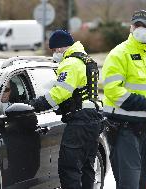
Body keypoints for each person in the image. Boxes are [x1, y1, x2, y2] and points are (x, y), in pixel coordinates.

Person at [27, 30, 103, 189]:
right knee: (87, 166)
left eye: (54, 50)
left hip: (80, 122)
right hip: (93, 119)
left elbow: (60, 93)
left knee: (69, 168)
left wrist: (35, 105)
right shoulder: (87, 60)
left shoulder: (71, 63)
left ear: (61, 48)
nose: (54, 54)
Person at [102, 10, 146, 189]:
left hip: (144, 130)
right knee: (129, 184)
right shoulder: (119, 54)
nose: (140, 29)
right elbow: (113, 91)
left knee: (139, 184)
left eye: (144, 26)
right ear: (131, 28)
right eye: (137, 25)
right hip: (123, 129)